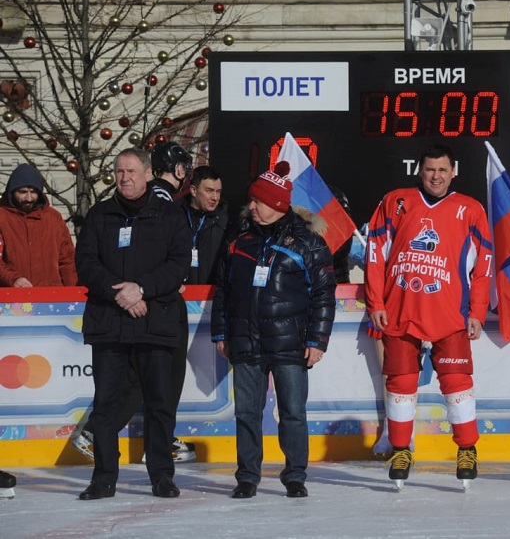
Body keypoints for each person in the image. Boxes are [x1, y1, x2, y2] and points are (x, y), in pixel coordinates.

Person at [365, 144, 493, 489]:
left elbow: (483, 267)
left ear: (454, 172)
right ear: (419, 172)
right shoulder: (396, 201)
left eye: (442, 170)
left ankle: (467, 448)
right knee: (401, 383)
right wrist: (375, 302)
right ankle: (401, 449)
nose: (436, 176)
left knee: (456, 382)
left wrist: (477, 311)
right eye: (430, 169)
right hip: (400, 310)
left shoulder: (470, 209)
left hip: (450, 313)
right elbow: (375, 254)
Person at [210, 161, 336, 499]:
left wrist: (316, 340)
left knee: (293, 413)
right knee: (246, 413)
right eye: (252, 200)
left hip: (290, 343)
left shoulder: (307, 242)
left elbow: (324, 294)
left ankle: (295, 475)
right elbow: (223, 288)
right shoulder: (239, 238)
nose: (251, 206)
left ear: (278, 205)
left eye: (259, 201)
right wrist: (221, 333)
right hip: (246, 340)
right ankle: (247, 477)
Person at [74, 148, 191, 500]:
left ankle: (161, 477)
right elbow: (86, 262)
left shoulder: (171, 216)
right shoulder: (99, 215)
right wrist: (119, 295)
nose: (125, 177)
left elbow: (178, 264)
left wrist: (141, 290)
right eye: (119, 171)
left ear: (148, 173)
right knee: (107, 404)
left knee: (159, 403)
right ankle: (104, 478)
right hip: (109, 323)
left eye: (131, 171)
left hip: (156, 322)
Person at [0, 163, 76, 287]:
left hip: (51, 297)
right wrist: (13, 279)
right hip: (12, 298)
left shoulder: (53, 218)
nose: (29, 198)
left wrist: (74, 295)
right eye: (23, 192)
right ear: (12, 191)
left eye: (33, 192)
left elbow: (67, 261)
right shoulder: (2, 217)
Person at [180, 166, 230, 285]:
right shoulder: (175, 216)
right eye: (209, 190)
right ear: (193, 190)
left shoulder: (226, 223)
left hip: (211, 295)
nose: (215, 197)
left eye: (218, 192)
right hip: (179, 294)